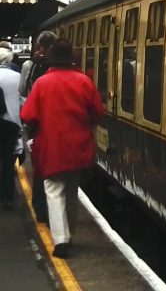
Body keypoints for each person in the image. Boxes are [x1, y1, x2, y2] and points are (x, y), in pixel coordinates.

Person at [21, 39, 104, 258]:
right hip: (78, 146)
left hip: (51, 145)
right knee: (71, 191)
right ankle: (70, 234)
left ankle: (60, 240)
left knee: (54, 191)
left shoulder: (42, 83)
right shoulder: (84, 81)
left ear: (50, 57)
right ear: (72, 58)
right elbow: (98, 111)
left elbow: (28, 115)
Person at [19, 30, 57, 223]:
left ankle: (40, 208)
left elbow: (23, 90)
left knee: (40, 165)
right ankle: (56, 210)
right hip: (59, 121)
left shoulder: (30, 65)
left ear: (39, 45)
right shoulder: (62, 65)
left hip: (38, 122)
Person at [0, 47, 22, 209]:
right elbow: (22, 99)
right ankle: (7, 196)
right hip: (12, 123)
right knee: (8, 162)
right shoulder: (17, 77)